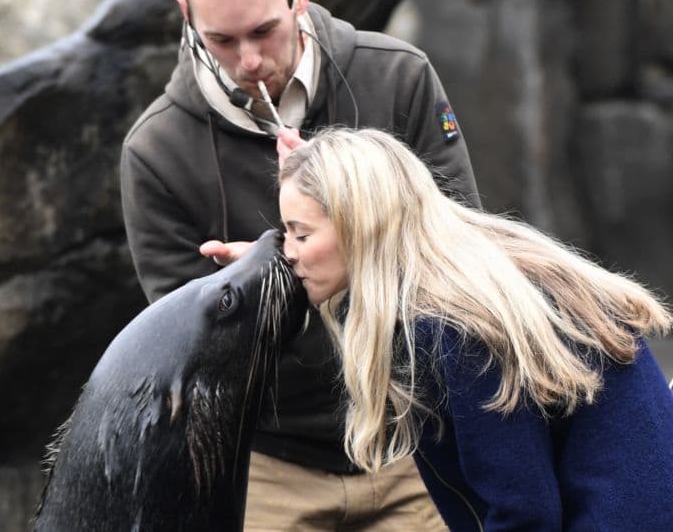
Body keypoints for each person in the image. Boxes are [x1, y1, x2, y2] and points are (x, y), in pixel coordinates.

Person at [120, 0, 479, 530]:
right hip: (268, 466)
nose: (249, 60)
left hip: (414, 444)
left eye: (263, 31)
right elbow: (189, 362)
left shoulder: (398, 78)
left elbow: (466, 261)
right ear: (186, 16)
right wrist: (263, 291)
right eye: (221, 40)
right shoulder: (155, 153)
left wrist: (341, 217)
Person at [278, 127, 673, 531]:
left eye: (302, 233)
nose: (288, 252)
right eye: (285, 232)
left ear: (358, 225)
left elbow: (524, 513)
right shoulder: (474, 266)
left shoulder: (453, 327)